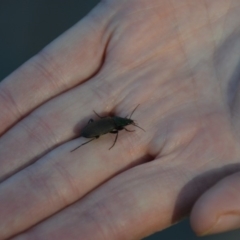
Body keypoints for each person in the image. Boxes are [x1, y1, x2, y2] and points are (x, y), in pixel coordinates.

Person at [0, 0, 240, 239]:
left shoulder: (115, 122)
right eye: (128, 123)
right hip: (91, 130)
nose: (128, 124)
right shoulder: (115, 124)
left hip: (92, 128)